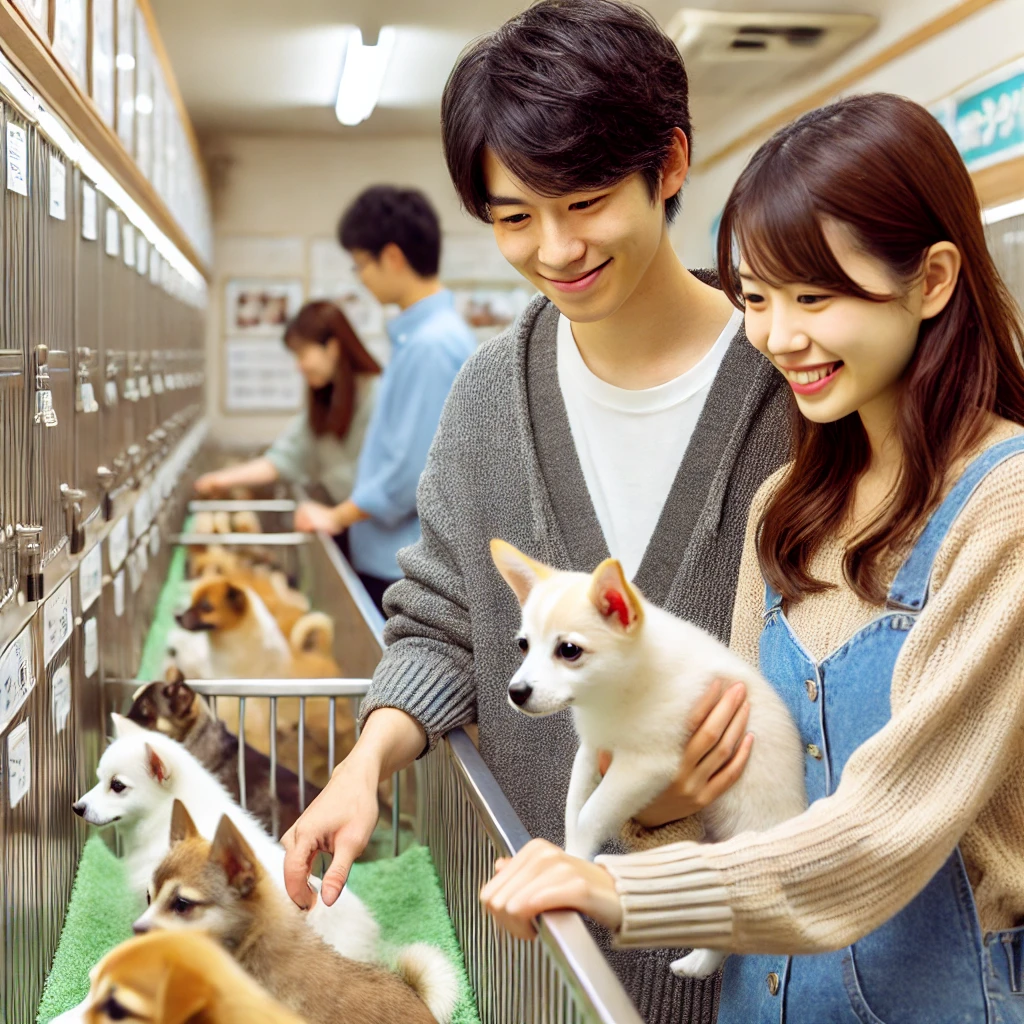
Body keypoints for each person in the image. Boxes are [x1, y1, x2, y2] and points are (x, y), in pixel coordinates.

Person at [282, 4, 788, 1019]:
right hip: (541, 956)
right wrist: (365, 762)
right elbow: (438, 616)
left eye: (586, 201)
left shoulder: (792, 384)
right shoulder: (487, 395)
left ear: (672, 163)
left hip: (756, 960)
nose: (554, 249)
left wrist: (684, 798)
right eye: (513, 217)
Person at [478, 93, 1024, 1023]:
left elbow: (889, 828)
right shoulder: (789, 507)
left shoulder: (1003, 509)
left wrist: (616, 888)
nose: (779, 337)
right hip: (760, 998)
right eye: (759, 300)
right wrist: (656, 811)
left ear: (932, 280)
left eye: (815, 297)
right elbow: (726, 762)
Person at [291, 186, 476, 614]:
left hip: (403, 563)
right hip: (397, 558)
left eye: (361, 266)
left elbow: (411, 473)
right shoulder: (424, 338)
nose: (362, 279)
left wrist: (336, 517)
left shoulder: (430, 345)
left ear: (391, 257)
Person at [195, 301, 379, 504]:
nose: (298, 366)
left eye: (302, 354)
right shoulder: (326, 400)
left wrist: (336, 518)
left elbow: (385, 483)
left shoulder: (378, 395)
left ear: (332, 348)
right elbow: (284, 457)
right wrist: (221, 480)